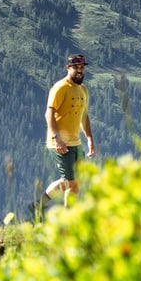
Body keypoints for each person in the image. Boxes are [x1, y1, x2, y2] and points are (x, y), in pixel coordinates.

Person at [35, 55, 95, 216]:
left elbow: (83, 116)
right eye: (76, 68)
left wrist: (89, 139)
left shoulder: (83, 90)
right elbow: (49, 114)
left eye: (82, 68)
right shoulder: (60, 87)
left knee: (76, 182)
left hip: (76, 142)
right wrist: (57, 138)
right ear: (68, 68)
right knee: (69, 180)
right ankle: (39, 205)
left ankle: (69, 216)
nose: (80, 71)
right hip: (59, 142)